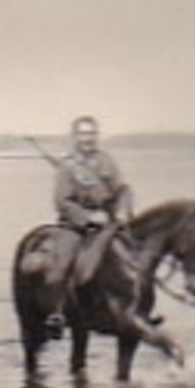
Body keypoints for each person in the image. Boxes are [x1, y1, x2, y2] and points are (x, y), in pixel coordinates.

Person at [43, 115, 135, 332]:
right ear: (75, 137)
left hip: (107, 222)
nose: (88, 139)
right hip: (74, 225)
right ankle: (57, 313)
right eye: (83, 134)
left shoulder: (105, 160)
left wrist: (122, 210)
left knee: (135, 254)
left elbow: (122, 189)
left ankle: (135, 306)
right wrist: (88, 217)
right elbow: (62, 202)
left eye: (92, 134)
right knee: (63, 261)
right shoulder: (67, 166)